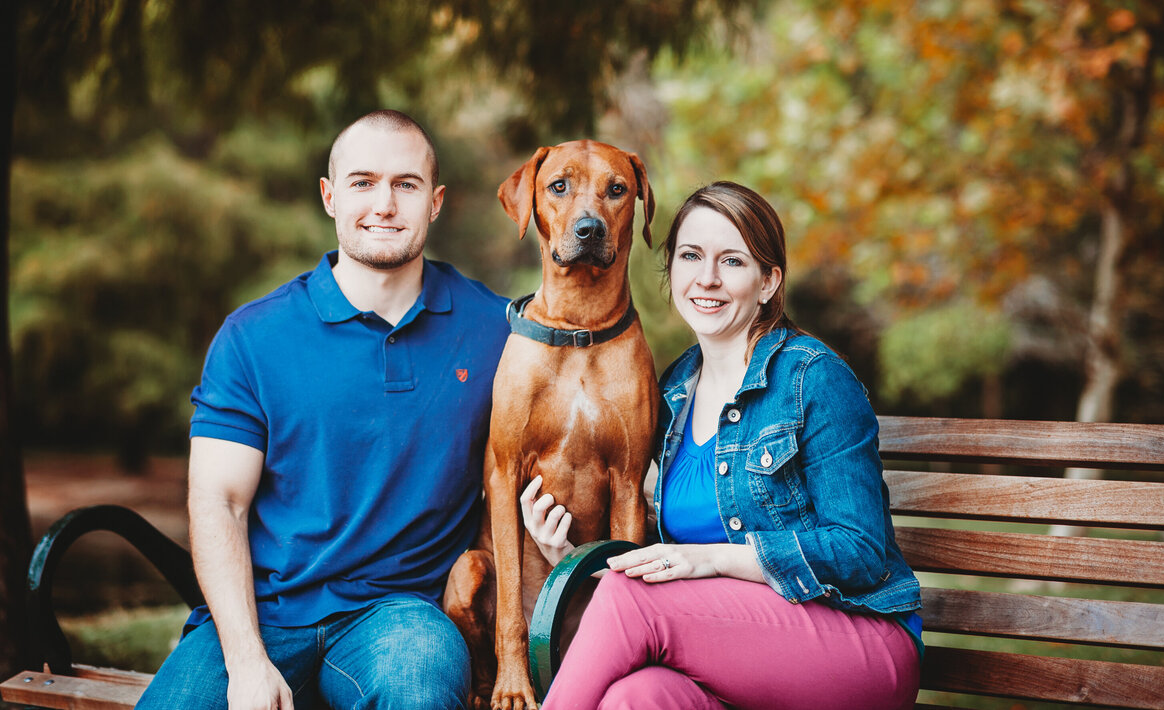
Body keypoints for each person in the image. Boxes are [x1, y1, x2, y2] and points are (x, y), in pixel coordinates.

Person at [137, 110, 511, 710]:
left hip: (401, 617)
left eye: (406, 185)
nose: (384, 204)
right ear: (329, 196)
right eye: (363, 182)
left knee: (420, 682)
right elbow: (219, 502)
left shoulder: (495, 330)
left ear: (435, 202)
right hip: (265, 614)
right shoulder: (254, 338)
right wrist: (246, 661)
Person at [522, 181, 922, 710]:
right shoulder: (671, 392)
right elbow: (669, 573)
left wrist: (715, 559)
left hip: (857, 643)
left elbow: (860, 552)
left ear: (768, 282)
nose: (706, 279)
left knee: (631, 602)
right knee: (638, 697)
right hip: (736, 652)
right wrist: (574, 558)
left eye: (732, 261)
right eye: (690, 256)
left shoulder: (813, 379)